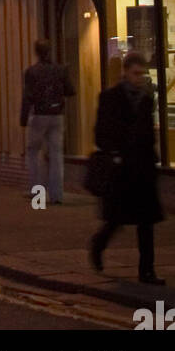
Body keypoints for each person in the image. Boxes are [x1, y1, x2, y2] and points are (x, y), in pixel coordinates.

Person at [89, 51, 166, 285]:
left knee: (146, 222)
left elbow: (147, 131)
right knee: (117, 219)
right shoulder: (110, 97)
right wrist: (114, 153)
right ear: (125, 72)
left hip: (142, 167)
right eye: (135, 73)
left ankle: (147, 271)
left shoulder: (145, 98)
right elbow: (101, 131)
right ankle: (98, 245)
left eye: (142, 74)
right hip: (121, 167)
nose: (139, 78)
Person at [20, 38, 75, 204]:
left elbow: (27, 97)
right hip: (57, 115)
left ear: (36, 52)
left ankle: (38, 193)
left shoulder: (32, 72)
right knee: (56, 154)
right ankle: (57, 194)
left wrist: (23, 119)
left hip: (39, 115)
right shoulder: (60, 70)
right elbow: (71, 91)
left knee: (33, 152)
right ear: (50, 51)